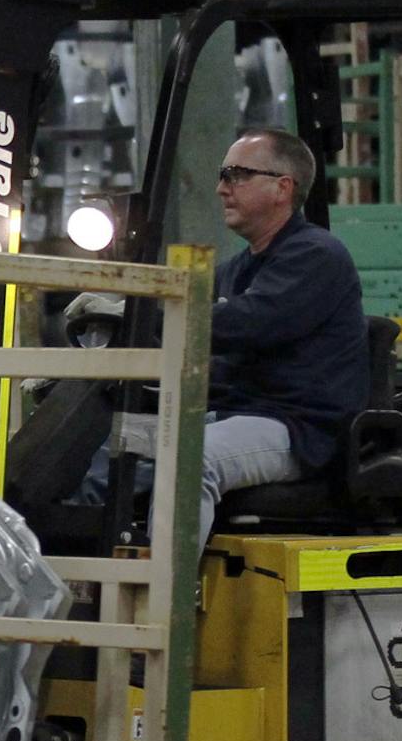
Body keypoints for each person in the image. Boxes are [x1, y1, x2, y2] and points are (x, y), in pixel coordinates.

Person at [73, 127, 369, 540]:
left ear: (282, 188)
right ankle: (88, 568)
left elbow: (246, 323)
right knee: (120, 443)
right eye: (221, 175)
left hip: (294, 427)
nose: (220, 189)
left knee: (192, 459)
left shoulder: (316, 256)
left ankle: (166, 598)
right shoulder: (237, 269)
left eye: (236, 175)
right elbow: (185, 320)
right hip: (232, 413)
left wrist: (140, 314)